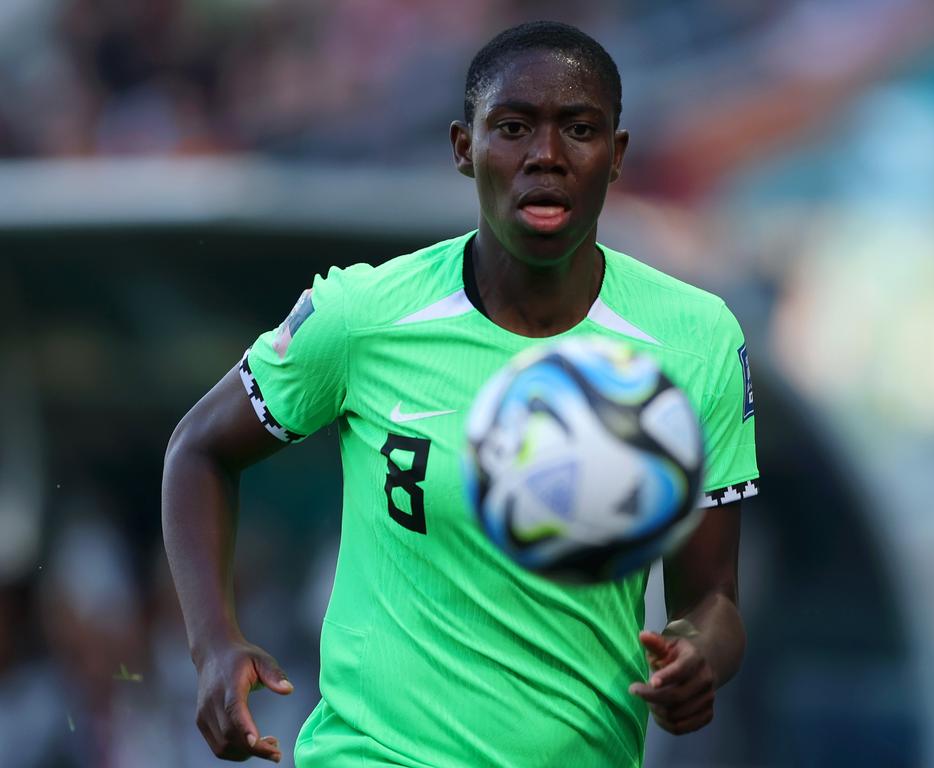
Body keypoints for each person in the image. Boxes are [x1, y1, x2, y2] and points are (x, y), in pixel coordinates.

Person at [162, 20, 758, 767]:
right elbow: (199, 449)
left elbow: (713, 599)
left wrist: (696, 655)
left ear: (617, 156)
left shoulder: (695, 339)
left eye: (579, 129)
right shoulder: (364, 317)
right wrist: (214, 645)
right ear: (462, 148)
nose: (546, 156)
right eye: (512, 127)